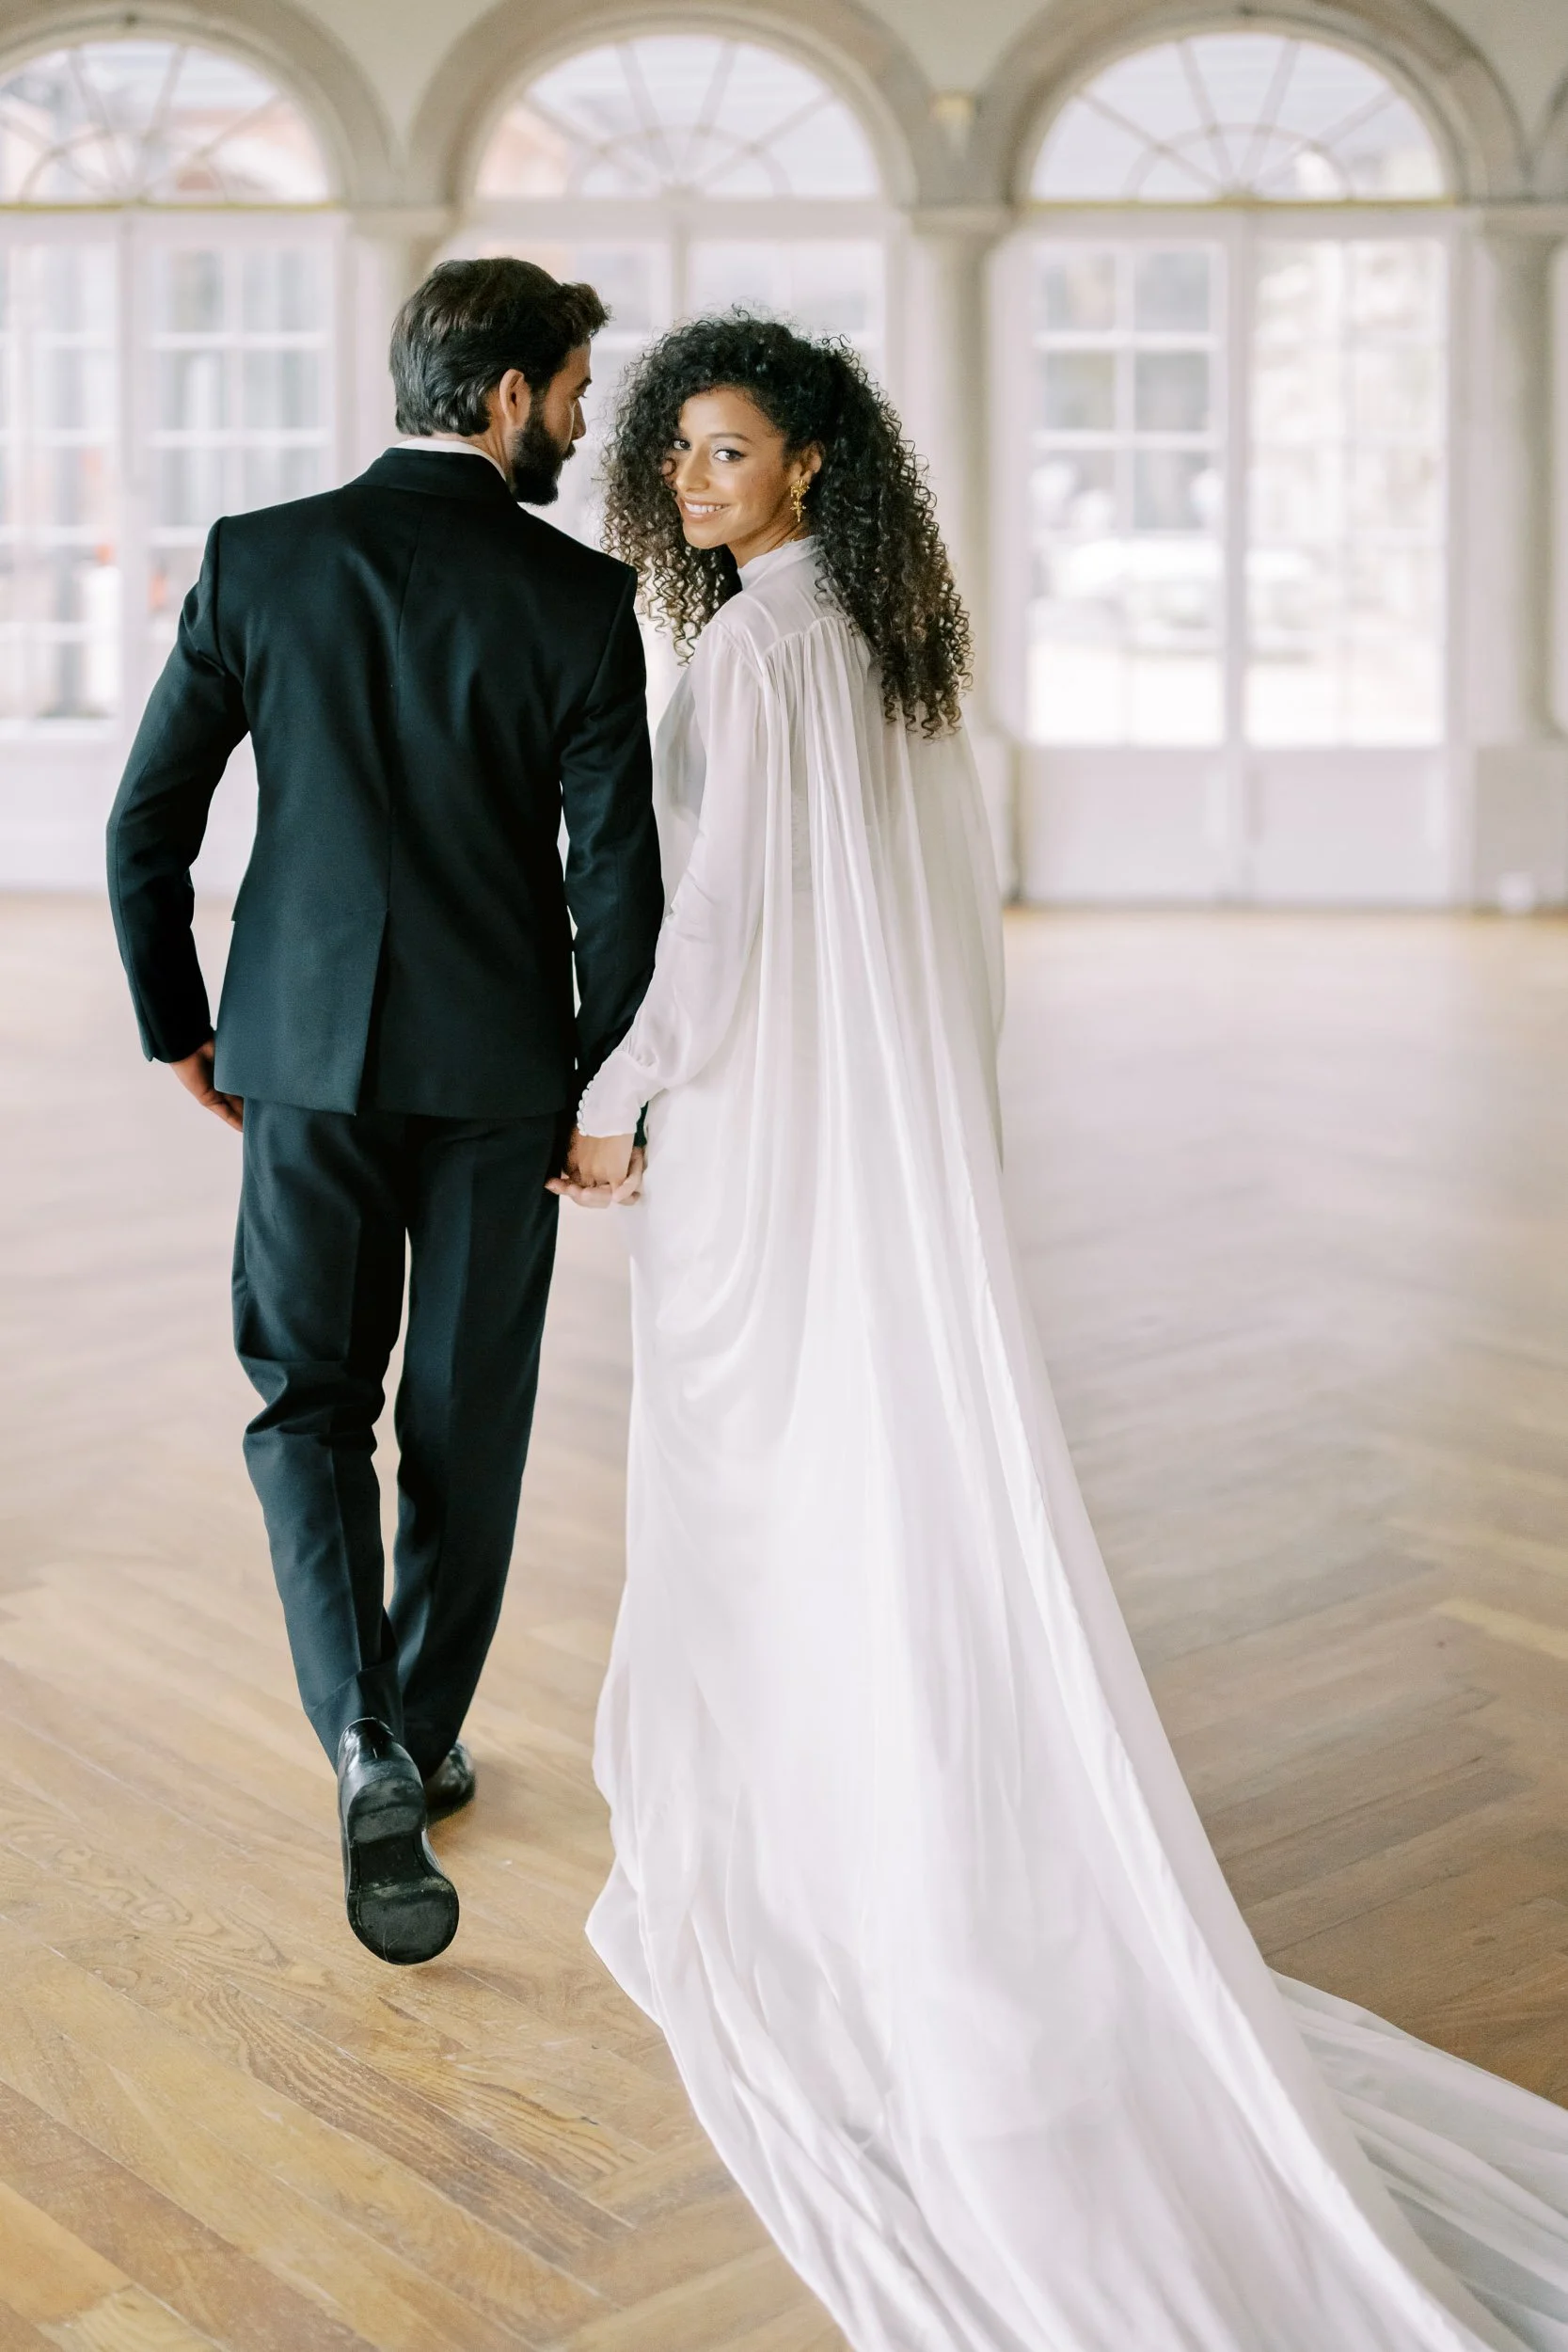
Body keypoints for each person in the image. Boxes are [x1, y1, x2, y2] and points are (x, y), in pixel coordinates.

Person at [555, 313, 1568, 2351]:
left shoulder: (755, 651)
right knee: (859, 1474)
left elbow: (720, 930)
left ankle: (809, 1846)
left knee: (761, 1481)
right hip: (876, 1140)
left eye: (725, 450)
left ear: (812, 461)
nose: (687, 480)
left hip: (762, 1145)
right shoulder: (897, 645)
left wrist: (618, 1091)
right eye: (670, 451)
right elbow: (946, 923)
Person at [106, 259, 663, 1968]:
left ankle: (356, 1734)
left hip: (298, 1057)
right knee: (464, 1415)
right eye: (571, 392)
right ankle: (413, 1737)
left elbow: (148, 828)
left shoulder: (257, 558)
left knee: (305, 1399)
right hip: (499, 1078)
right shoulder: (578, 596)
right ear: (503, 393)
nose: (580, 422)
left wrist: (183, 1030)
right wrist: (595, 1080)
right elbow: (617, 881)